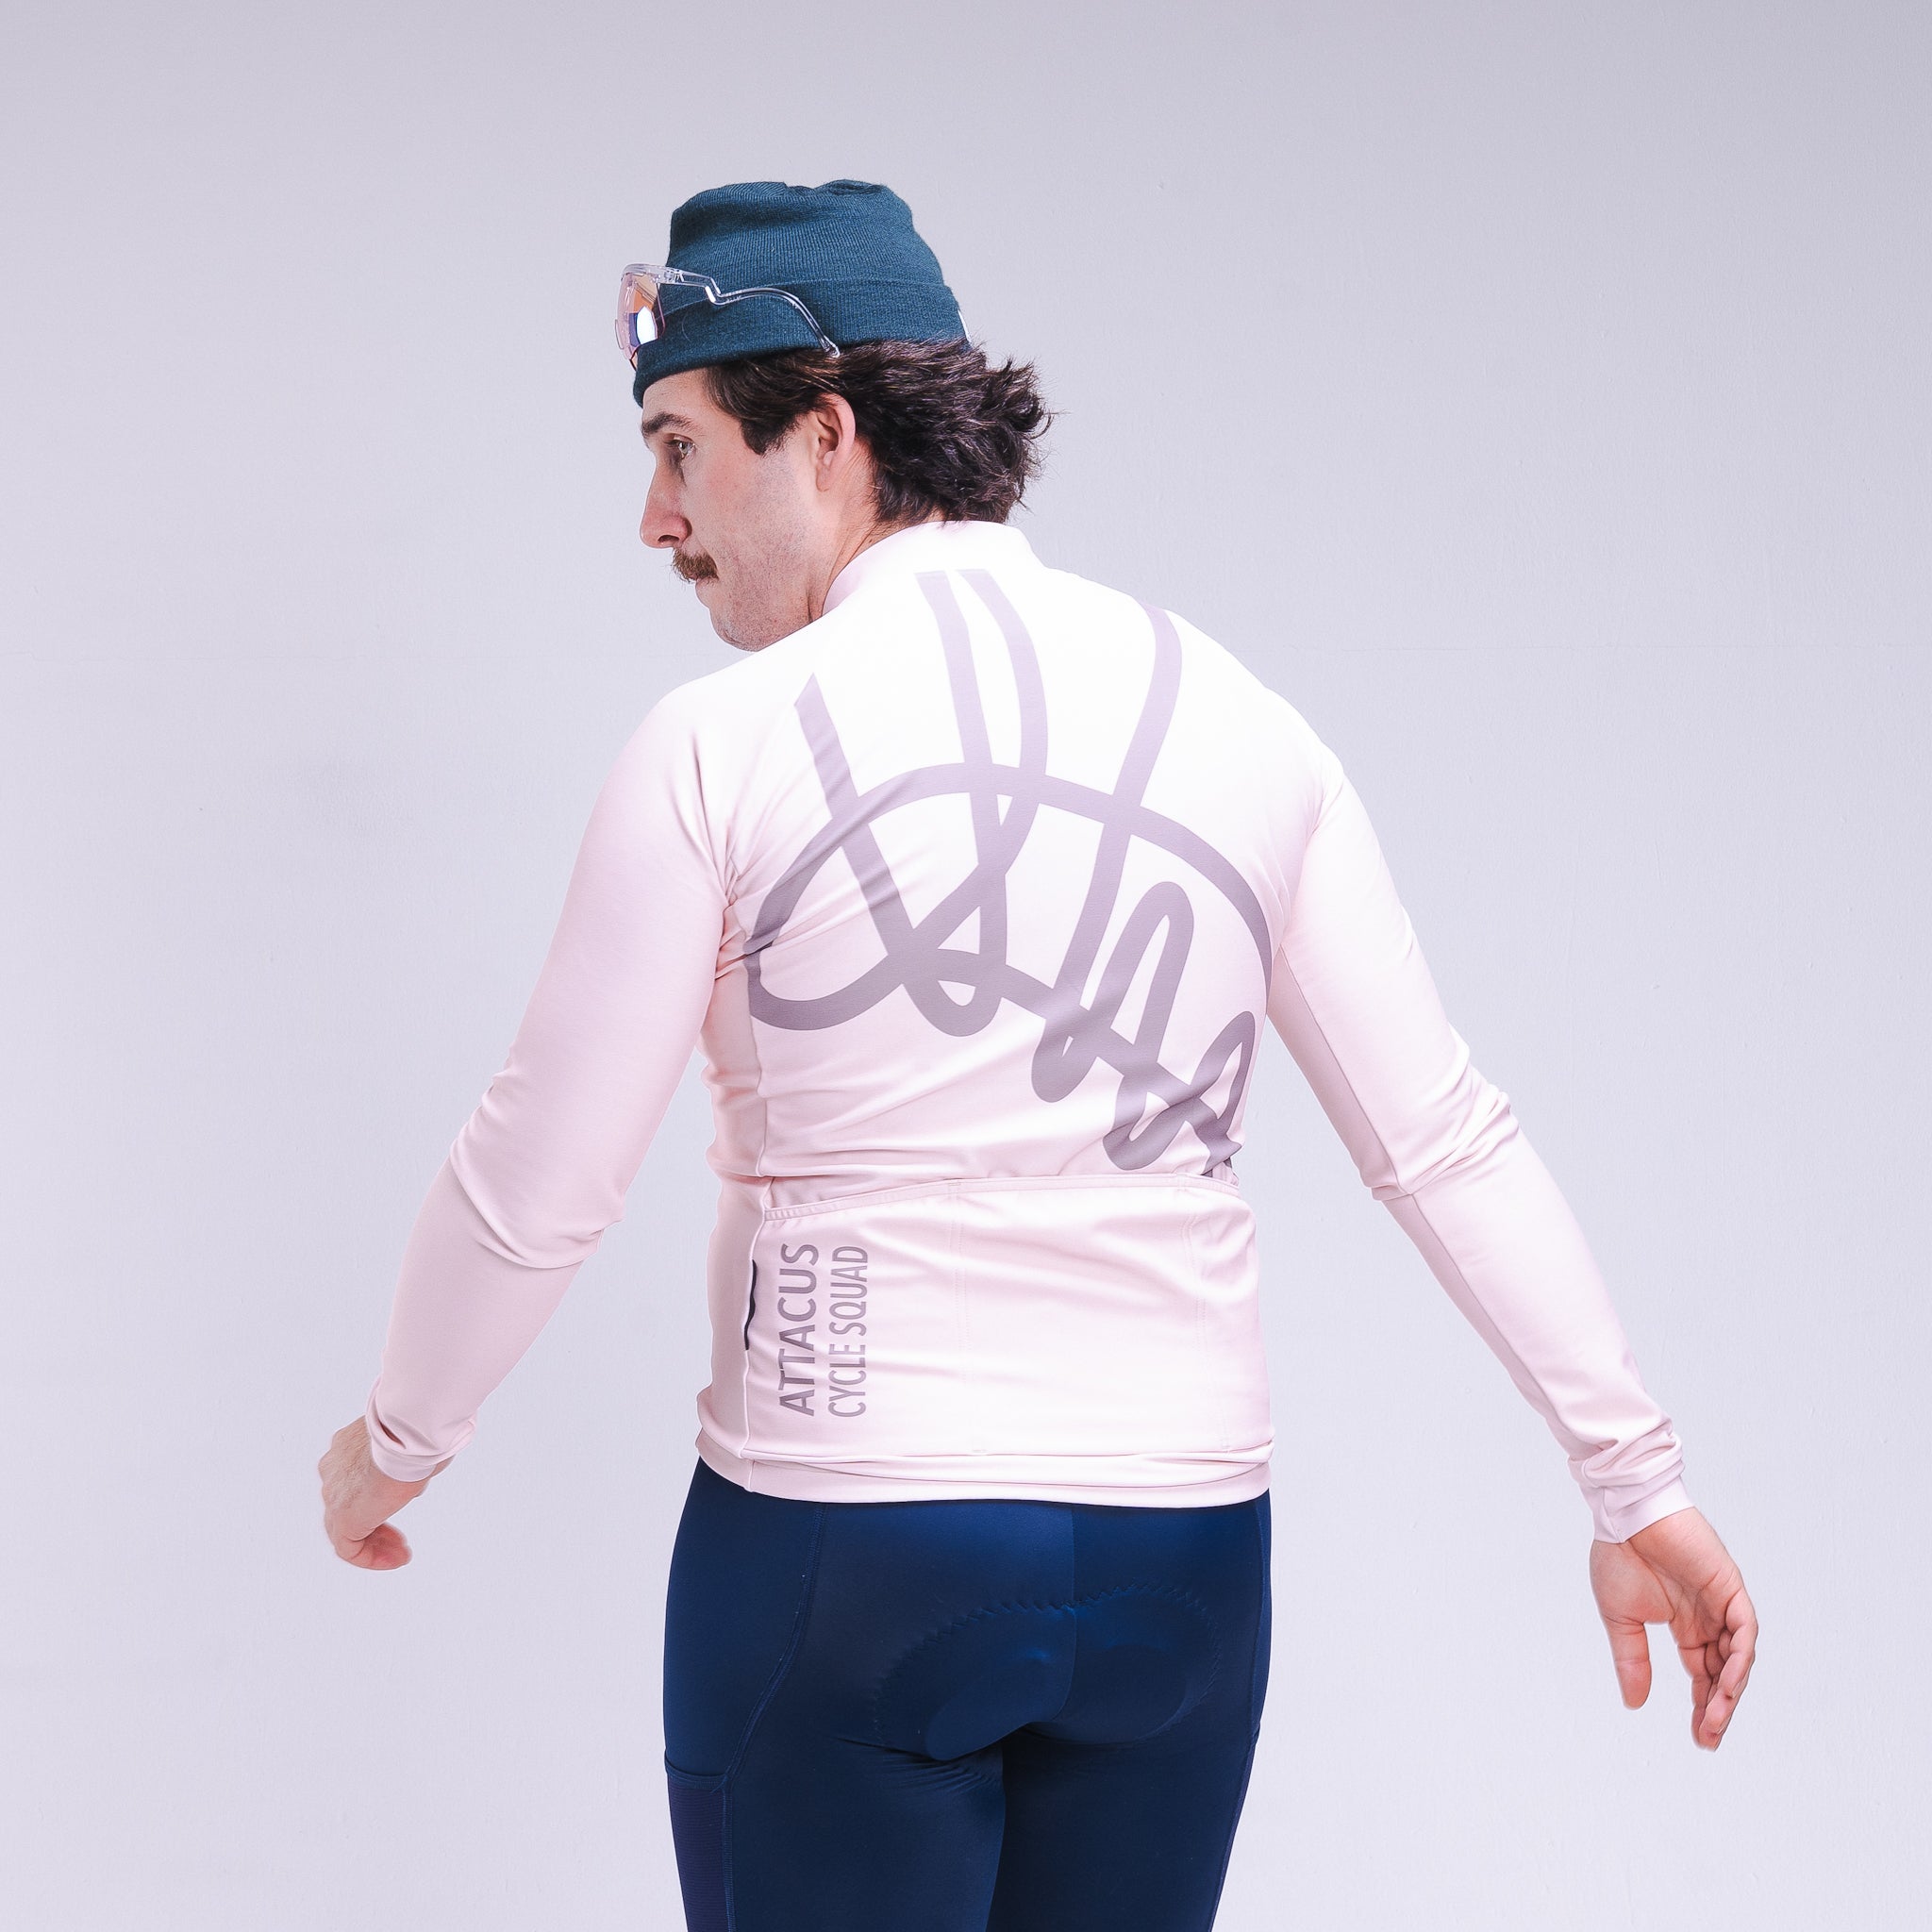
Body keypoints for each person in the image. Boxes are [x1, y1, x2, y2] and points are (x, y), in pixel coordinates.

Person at [317, 179, 1757, 1932]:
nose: (654, 516)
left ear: (824, 431)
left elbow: (543, 1169)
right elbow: (1442, 1137)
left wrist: (400, 1437)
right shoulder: (1244, 721)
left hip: (850, 1550)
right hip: (1183, 1570)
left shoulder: (722, 743)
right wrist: (1636, 1483)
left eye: (679, 448)